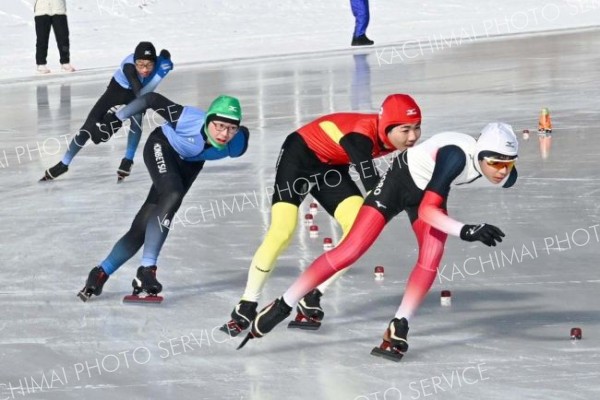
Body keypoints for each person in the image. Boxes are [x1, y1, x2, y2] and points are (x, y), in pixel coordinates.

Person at [239, 122, 519, 359]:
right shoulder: (455, 157)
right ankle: (283, 304)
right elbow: (427, 211)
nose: (501, 171)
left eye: (508, 164)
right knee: (351, 249)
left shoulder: (504, 172)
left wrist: (500, 170)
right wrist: (466, 230)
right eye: (494, 163)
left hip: (430, 190)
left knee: (432, 256)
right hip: (399, 182)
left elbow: (434, 202)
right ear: (480, 154)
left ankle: (400, 324)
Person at [221, 94, 422, 337]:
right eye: (405, 130)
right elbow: (374, 187)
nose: (413, 137)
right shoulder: (360, 136)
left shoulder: (396, 139)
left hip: (331, 168)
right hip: (299, 156)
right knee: (282, 231)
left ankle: (313, 295)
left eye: (417, 128)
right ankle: (247, 303)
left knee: (358, 234)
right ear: (387, 126)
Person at [77, 92, 250, 302]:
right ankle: (147, 270)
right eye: (219, 126)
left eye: (232, 128)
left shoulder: (237, 144)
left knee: (146, 224)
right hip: (162, 145)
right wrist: (116, 118)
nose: (225, 134)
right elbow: (150, 99)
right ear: (207, 120)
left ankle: (101, 272)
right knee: (172, 193)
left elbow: (242, 135)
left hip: (189, 164)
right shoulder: (185, 118)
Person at [40, 41, 173, 182]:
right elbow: (141, 96)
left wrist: (165, 62)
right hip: (117, 91)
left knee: (137, 121)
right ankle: (63, 164)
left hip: (137, 92)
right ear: (134, 62)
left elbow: (165, 55)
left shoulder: (159, 62)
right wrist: (159, 75)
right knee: (88, 127)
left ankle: (128, 160)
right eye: (140, 64)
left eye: (149, 65)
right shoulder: (129, 67)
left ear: (155, 62)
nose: (145, 69)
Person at [34, 0, 74, 73]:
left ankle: (65, 62)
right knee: (42, 39)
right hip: (42, 10)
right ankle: (41, 64)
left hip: (59, 9)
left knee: (63, 38)